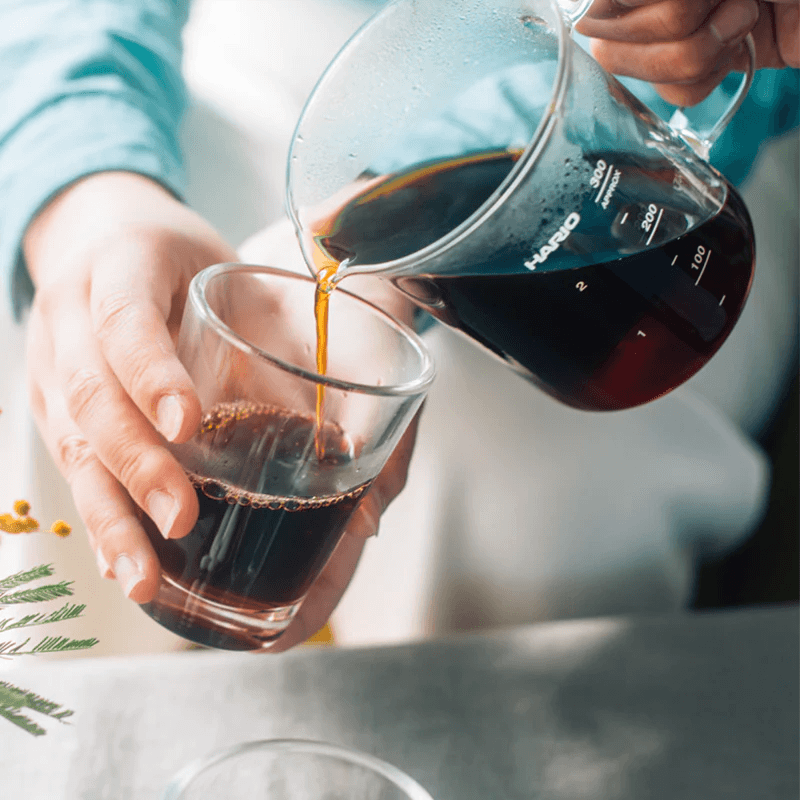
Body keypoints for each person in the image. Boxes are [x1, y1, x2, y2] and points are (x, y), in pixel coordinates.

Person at [0, 0, 796, 652]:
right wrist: (88, 194)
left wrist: (406, 219)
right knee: (100, 339)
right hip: (276, 36)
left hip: (639, 95)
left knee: (527, 487)